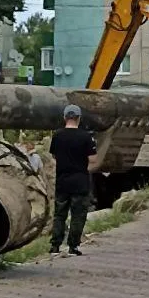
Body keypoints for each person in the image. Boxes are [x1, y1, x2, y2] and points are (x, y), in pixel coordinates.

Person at [48, 104, 98, 256]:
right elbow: (93, 159)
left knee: (59, 214)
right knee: (78, 214)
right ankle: (73, 246)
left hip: (62, 180)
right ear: (79, 118)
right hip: (80, 180)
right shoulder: (85, 137)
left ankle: (55, 245)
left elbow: (54, 156)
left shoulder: (57, 135)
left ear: (64, 118)